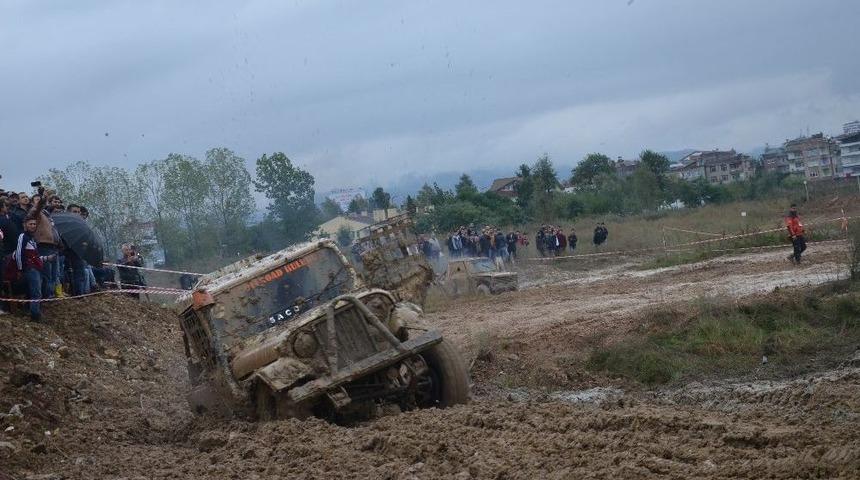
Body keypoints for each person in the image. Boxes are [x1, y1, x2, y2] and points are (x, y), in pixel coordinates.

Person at [13, 216, 56, 321]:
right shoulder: (23, 236)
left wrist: (47, 258)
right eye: (30, 224)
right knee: (36, 292)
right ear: (25, 225)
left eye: (34, 224)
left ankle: (31, 311)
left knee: (34, 290)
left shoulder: (32, 239)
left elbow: (35, 257)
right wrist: (20, 269)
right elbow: (19, 253)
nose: (33, 226)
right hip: (29, 269)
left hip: (36, 268)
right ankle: (35, 315)